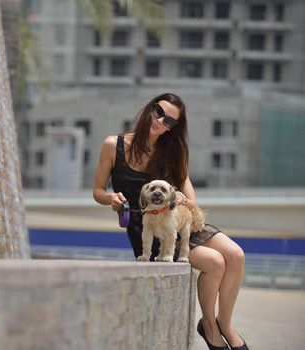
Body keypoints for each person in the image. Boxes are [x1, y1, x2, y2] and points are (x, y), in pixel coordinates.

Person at [93, 92, 249, 350]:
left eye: (170, 122)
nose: (161, 122)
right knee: (215, 262)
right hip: (151, 230)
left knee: (236, 255)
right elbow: (97, 191)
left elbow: (186, 183)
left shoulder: (174, 149)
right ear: (150, 109)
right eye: (159, 113)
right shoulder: (113, 145)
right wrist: (111, 198)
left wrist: (189, 203)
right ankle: (209, 326)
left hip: (180, 219)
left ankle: (225, 323)